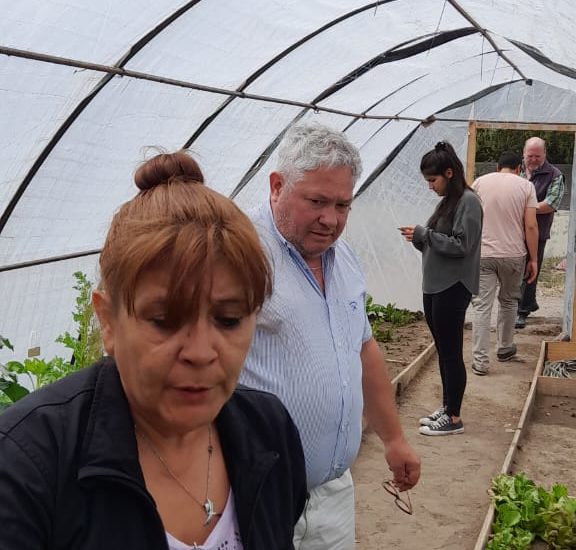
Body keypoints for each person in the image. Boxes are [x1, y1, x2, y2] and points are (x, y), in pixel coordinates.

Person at [0, 151, 307, 550]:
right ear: (108, 321)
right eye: (164, 320)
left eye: (229, 319)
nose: (200, 353)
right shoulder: (27, 465)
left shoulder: (269, 431)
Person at [240, 124, 421, 549]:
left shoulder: (346, 260)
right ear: (277, 186)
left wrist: (393, 438)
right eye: (317, 201)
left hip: (333, 492)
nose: (331, 219)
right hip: (257, 495)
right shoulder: (241, 254)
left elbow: (363, 350)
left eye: (342, 205)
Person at [399, 141, 482, 436]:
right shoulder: (447, 201)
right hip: (435, 285)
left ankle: (454, 418)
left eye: (432, 180)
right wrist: (419, 238)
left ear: (449, 173)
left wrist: (426, 235)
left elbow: (462, 245)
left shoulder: (468, 201)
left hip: (453, 286)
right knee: (443, 351)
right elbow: (438, 241)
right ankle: (447, 407)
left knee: (450, 353)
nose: (430, 186)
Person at [470, 151, 539, 375]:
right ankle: (505, 348)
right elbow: (530, 226)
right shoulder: (526, 187)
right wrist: (534, 258)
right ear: (518, 168)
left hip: (483, 254)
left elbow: (468, 216)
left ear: (498, 167)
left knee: (482, 306)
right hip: (513, 255)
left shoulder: (480, 182)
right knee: (509, 302)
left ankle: (480, 362)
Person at [515, 137, 565, 329]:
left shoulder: (554, 174)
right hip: (512, 231)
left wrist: (525, 207)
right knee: (514, 269)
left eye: (537, 156)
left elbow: (551, 203)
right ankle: (527, 303)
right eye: (530, 155)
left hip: (537, 232)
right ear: (523, 154)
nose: (533, 159)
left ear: (544, 154)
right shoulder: (514, 170)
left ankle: (522, 311)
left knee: (529, 269)